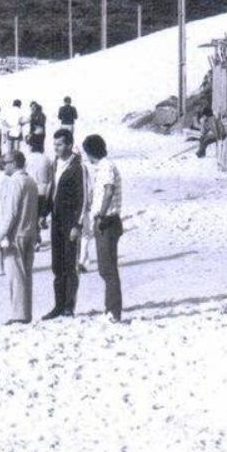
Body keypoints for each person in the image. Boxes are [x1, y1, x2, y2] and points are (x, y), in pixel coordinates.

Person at [0, 151, 40, 325]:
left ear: (13, 163)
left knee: (16, 276)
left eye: (5, 162)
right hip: (29, 231)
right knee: (26, 275)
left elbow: (10, 212)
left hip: (16, 233)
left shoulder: (14, 182)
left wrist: (0, 235)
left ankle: (18, 314)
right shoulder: (31, 181)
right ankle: (26, 313)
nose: (3, 166)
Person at [43, 129, 84, 320]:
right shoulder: (55, 163)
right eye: (54, 144)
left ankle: (69, 306)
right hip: (56, 219)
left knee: (69, 264)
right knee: (57, 264)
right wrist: (44, 213)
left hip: (70, 219)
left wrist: (77, 224)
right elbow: (52, 190)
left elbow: (83, 197)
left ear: (69, 145)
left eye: (59, 144)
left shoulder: (78, 167)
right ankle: (58, 305)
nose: (56, 148)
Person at [82, 134, 124, 323]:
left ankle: (113, 311)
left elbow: (108, 191)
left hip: (107, 220)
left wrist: (100, 215)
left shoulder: (106, 167)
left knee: (108, 269)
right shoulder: (105, 166)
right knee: (106, 268)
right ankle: (110, 308)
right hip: (108, 220)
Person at [23, 140, 53, 233]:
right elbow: (50, 177)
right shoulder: (47, 159)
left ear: (31, 147)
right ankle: (37, 233)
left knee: (29, 216)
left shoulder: (27, 158)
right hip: (42, 190)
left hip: (30, 189)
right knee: (39, 216)